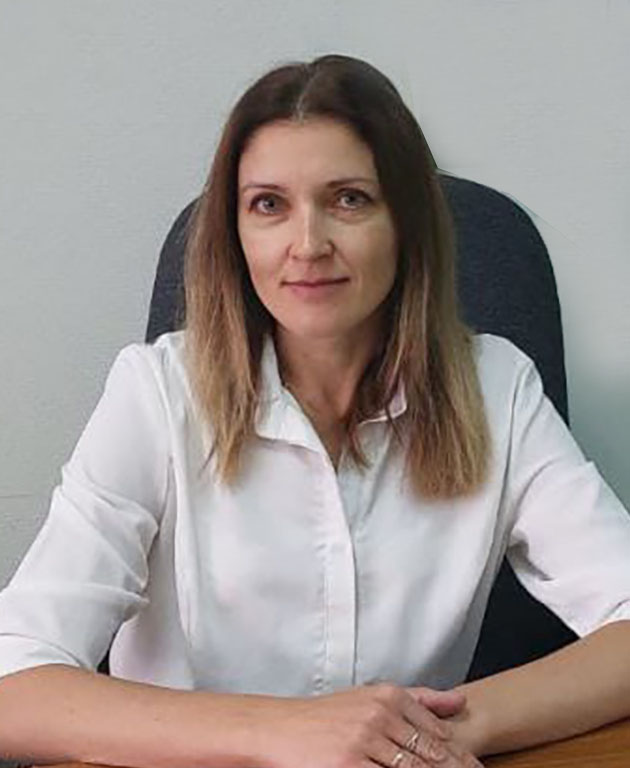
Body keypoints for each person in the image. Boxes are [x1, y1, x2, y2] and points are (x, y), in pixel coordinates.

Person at [0, 53, 629, 768]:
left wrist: (438, 731)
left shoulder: (495, 388)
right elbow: (13, 686)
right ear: (235, 232)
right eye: (269, 205)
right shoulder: (156, 392)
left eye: (350, 199)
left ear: (406, 222)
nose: (308, 245)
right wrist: (285, 732)